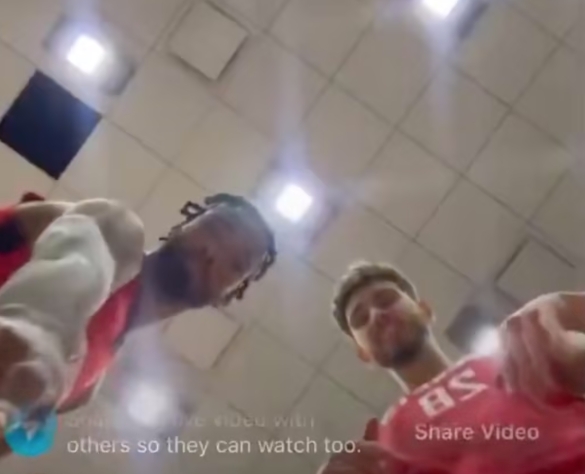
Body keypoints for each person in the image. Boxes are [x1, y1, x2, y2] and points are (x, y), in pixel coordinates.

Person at [0, 192, 276, 448]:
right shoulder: (86, 228)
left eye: (236, 263)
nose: (213, 252)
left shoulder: (85, 387)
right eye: (215, 228)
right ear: (185, 224)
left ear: (227, 296)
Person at [318, 261, 585, 474]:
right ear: (363, 353)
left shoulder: (514, 353)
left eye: (386, 300)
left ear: (424, 310)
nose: (377, 315)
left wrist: (563, 310)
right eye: (361, 319)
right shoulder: (384, 451)